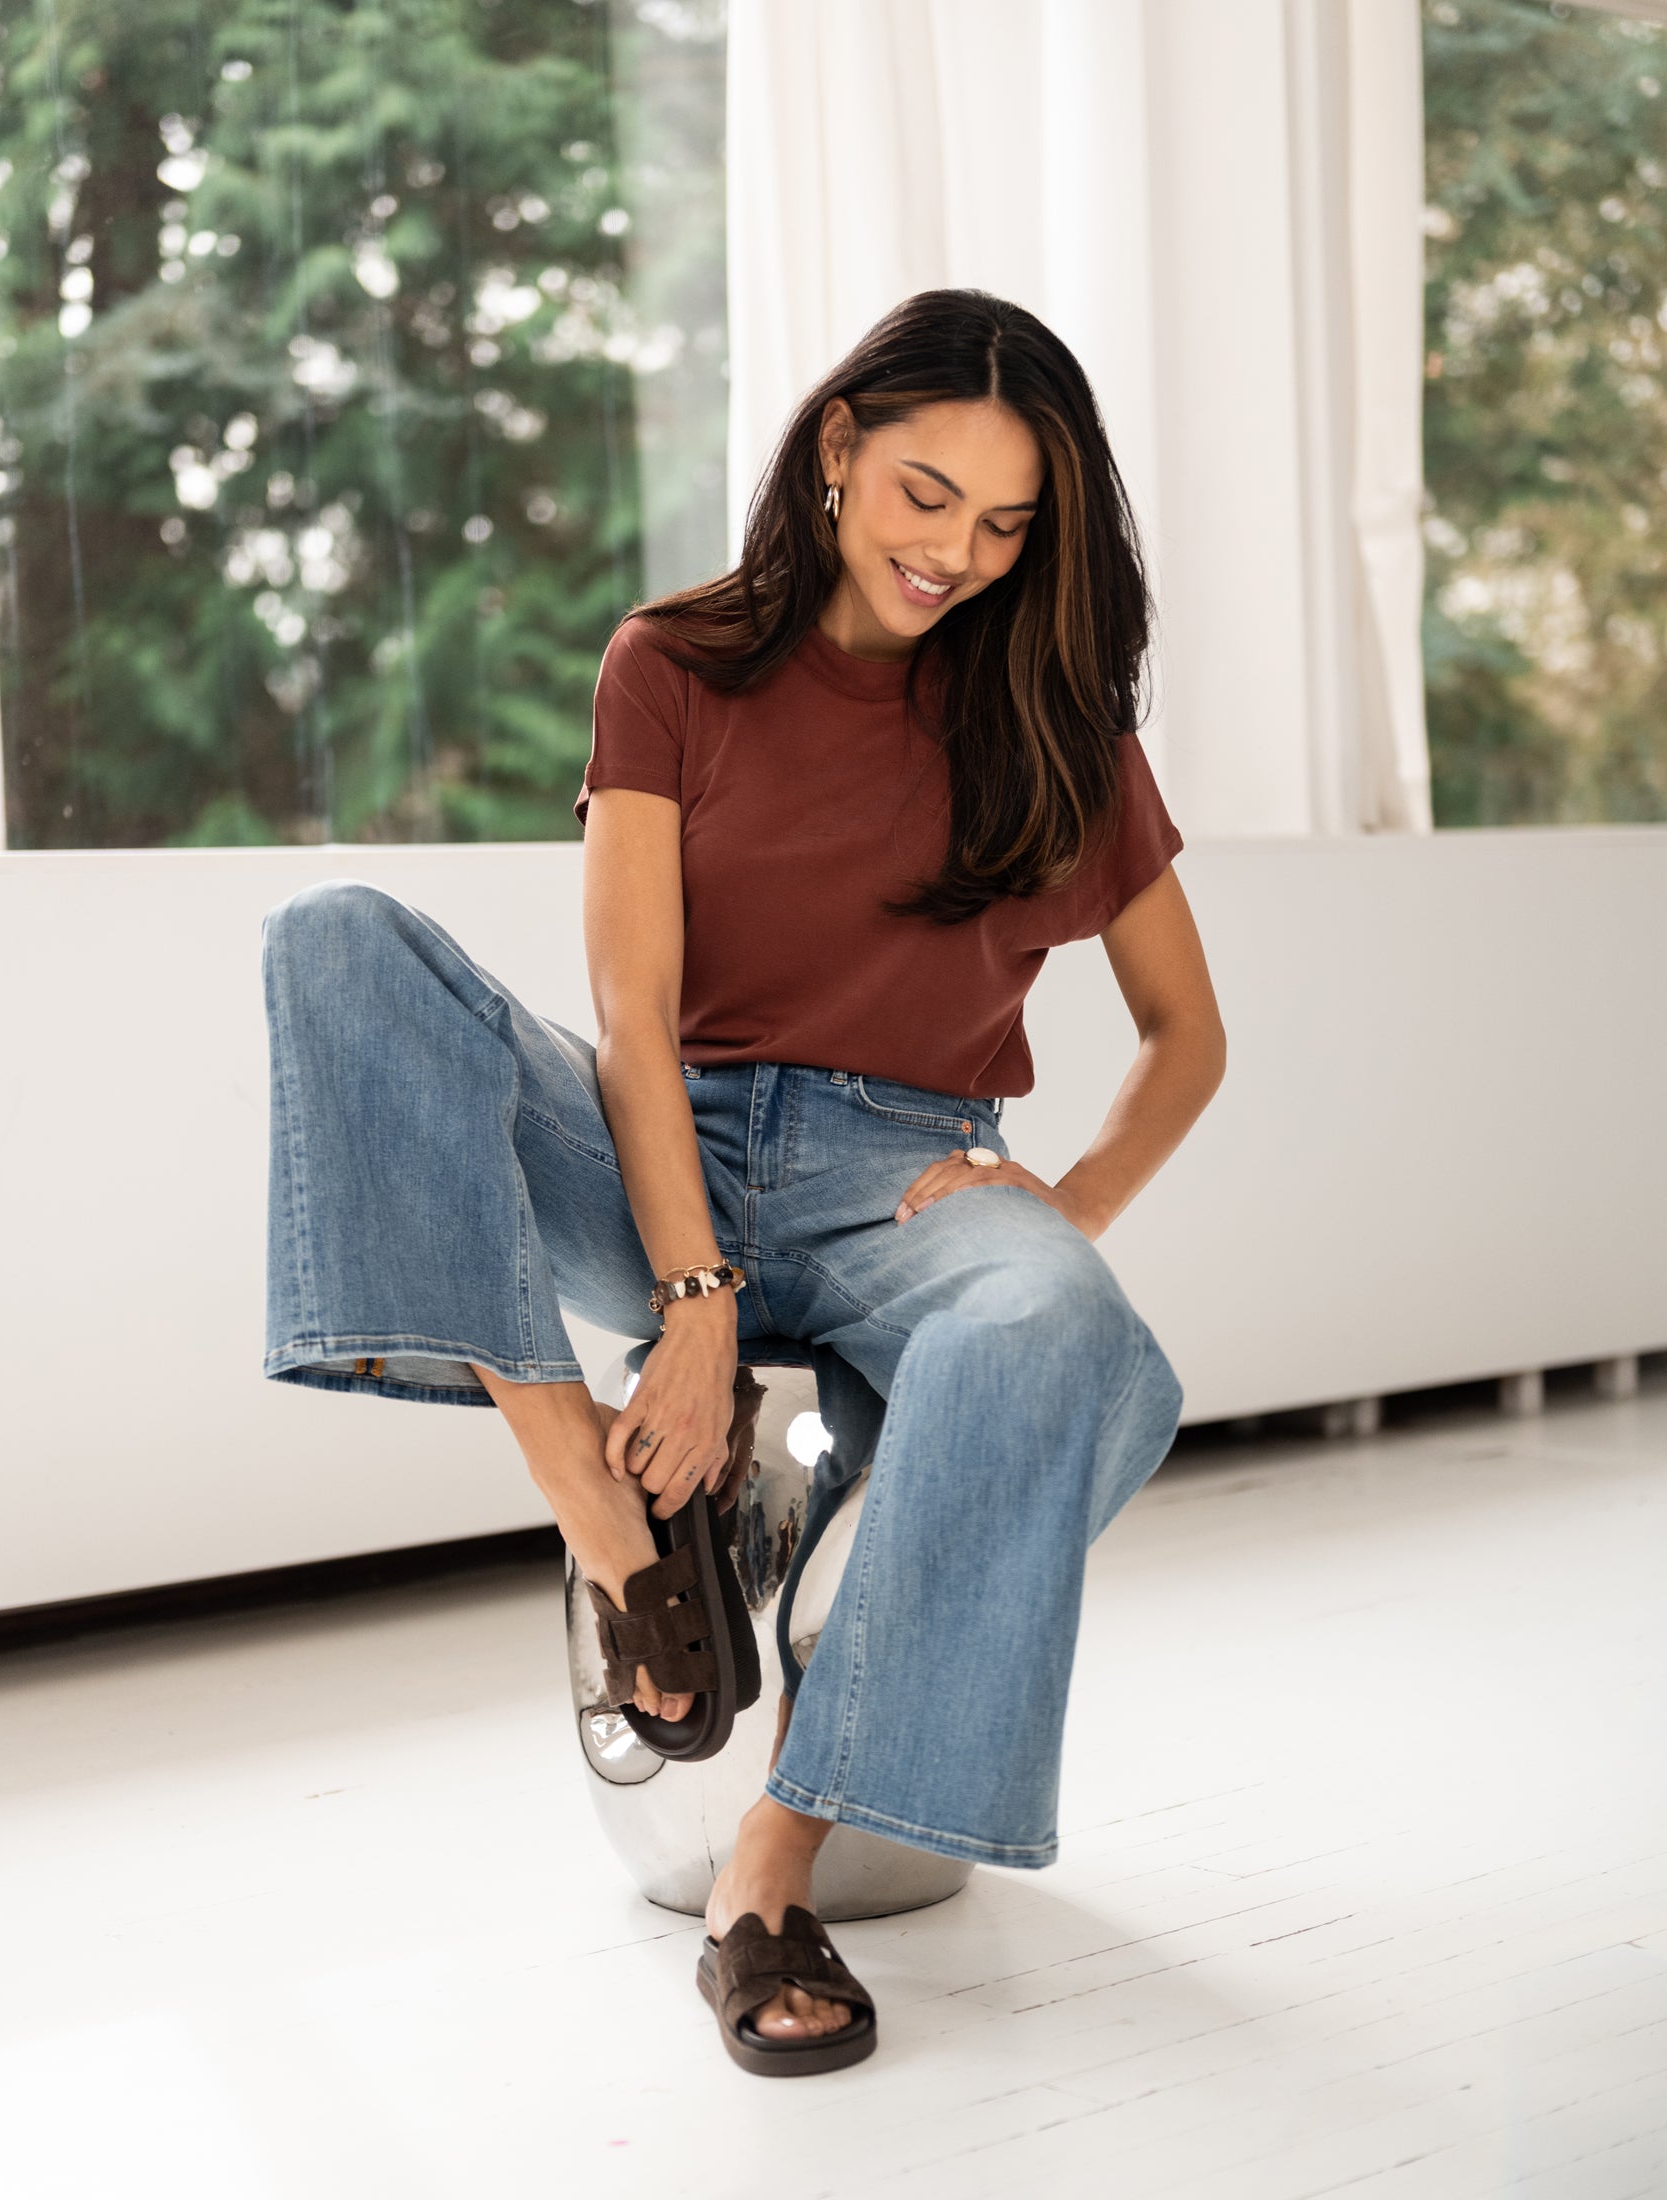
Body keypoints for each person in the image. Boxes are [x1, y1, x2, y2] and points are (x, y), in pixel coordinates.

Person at [258, 288, 1226, 2076]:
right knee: (334, 942)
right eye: (929, 493)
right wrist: (690, 1309)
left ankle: (772, 1862)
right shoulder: (677, 663)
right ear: (841, 445)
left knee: (1068, 1329)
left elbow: (1188, 1037)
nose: (960, 552)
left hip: (909, 1170)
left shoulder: (1063, 724)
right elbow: (629, 1012)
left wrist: (1064, 1206)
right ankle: (592, 1501)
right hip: (662, 1139)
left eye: (1010, 524)